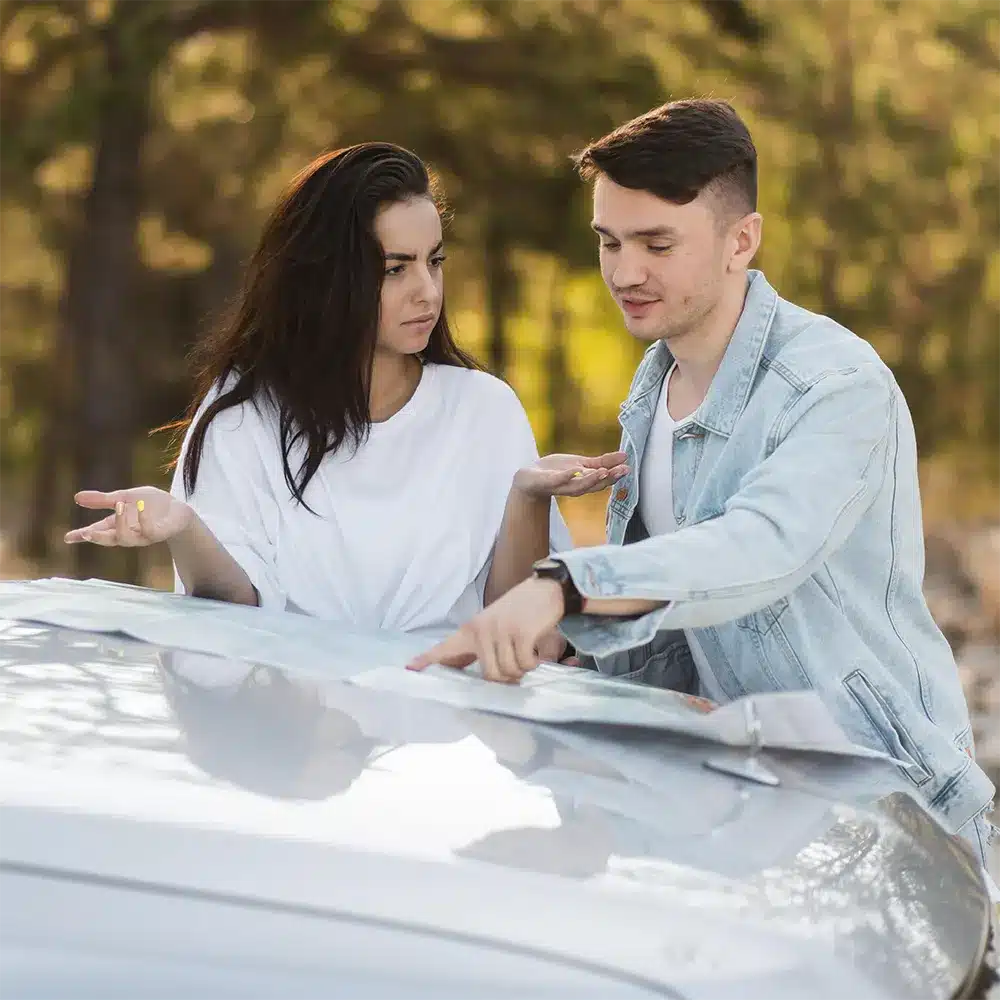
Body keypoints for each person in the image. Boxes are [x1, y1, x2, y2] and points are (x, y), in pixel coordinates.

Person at [406, 100, 997, 872]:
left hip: (886, 814)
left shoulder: (836, 384)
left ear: (739, 241)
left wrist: (569, 586)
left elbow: (759, 547)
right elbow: (674, 651)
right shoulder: (653, 392)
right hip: (748, 813)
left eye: (657, 243)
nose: (624, 272)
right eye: (609, 242)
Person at [64, 143, 626, 640]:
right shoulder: (244, 415)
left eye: (434, 262)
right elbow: (233, 617)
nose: (427, 291)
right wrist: (185, 527)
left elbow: (530, 641)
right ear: (327, 276)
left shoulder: (484, 410)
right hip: (294, 737)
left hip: (443, 741)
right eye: (394, 269)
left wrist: (526, 498)